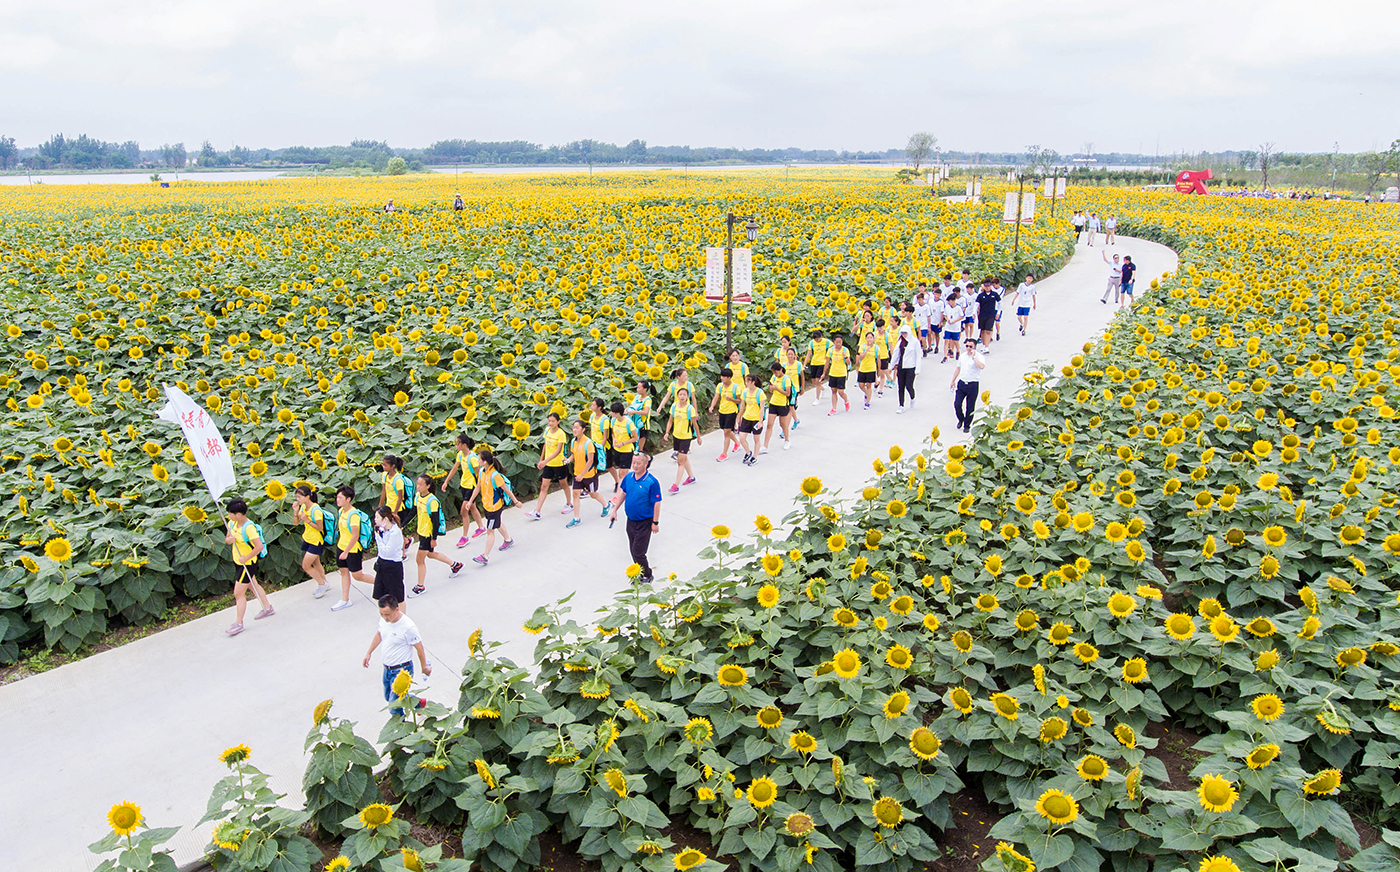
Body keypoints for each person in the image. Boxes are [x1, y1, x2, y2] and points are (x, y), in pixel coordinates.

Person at [362, 595, 430, 717]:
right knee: (388, 697)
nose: (384, 617)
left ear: (397, 609)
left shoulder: (408, 627)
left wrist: (424, 667)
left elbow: (419, 648)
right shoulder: (383, 620)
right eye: (381, 614)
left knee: (393, 706)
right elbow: (379, 634)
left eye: (387, 614)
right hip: (387, 669)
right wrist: (369, 652)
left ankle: (401, 733)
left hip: (402, 670)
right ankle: (418, 703)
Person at [223, 497, 273, 636]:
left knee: (238, 594)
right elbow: (227, 539)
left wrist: (246, 558)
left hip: (248, 564)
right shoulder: (232, 524)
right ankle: (268, 608)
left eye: (231, 513)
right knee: (253, 585)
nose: (229, 516)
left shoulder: (249, 528)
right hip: (238, 562)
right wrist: (229, 540)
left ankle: (238, 623)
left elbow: (259, 547)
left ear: (238, 514)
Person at [609, 453, 662, 584]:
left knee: (638, 552)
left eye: (639, 463)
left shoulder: (651, 482)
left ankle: (647, 575)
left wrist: (655, 522)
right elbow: (623, 493)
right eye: (634, 463)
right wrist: (615, 510)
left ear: (645, 464)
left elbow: (657, 502)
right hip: (631, 520)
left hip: (645, 522)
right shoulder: (629, 478)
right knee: (633, 549)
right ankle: (640, 573)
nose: (635, 466)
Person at [409, 474, 462, 596]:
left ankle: (420, 586)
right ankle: (455, 565)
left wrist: (434, 538)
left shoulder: (432, 501)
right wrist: (403, 524)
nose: (418, 486)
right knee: (431, 554)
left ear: (428, 486)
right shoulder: (417, 496)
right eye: (417, 484)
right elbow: (413, 512)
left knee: (419, 559)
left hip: (428, 534)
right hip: (421, 532)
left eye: (421, 484)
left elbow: (435, 522)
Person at [465, 449, 517, 566]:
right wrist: (470, 501)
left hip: (494, 507)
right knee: (497, 523)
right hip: (486, 505)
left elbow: (506, 490)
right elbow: (478, 487)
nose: (477, 461)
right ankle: (508, 539)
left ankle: (485, 556)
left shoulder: (495, 475)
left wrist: (516, 501)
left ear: (484, 461)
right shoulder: (482, 472)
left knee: (490, 531)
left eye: (479, 459)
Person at [332, 485, 373, 612]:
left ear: (348, 499)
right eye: (337, 497)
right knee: (344, 572)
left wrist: (346, 552)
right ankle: (345, 599)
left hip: (352, 550)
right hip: (341, 546)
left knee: (357, 576)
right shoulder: (341, 512)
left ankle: (381, 583)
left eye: (340, 497)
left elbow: (355, 536)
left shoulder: (353, 515)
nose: (337, 500)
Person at [526, 412, 572, 520]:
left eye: (553, 421)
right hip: (548, 464)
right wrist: (541, 460)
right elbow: (545, 445)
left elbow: (558, 450)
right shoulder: (547, 430)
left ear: (558, 422)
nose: (550, 423)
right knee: (544, 487)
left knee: (563, 484)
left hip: (559, 463)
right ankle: (537, 511)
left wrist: (545, 461)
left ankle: (569, 503)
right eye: (549, 421)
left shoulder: (561, 433)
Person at [443, 433, 487, 546]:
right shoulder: (460, 455)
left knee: (464, 511)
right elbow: (454, 468)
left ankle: (464, 537)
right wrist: (446, 481)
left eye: (457, 444)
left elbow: (479, 474)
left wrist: (481, 489)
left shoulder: (472, 458)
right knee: (472, 507)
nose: (456, 446)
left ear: (463, 445)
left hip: (471, 487)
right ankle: (481, 528)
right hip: (464, 485)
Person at [567, 419, 610, 526]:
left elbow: (590, 461)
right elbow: (574, 454)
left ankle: (605, 505)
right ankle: (576, 519)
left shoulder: (588, 443)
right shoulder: (573, 441)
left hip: (589, 475)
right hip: (577, 474)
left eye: (577, 427)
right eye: (573, 427)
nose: (574, 430)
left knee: (593, 494)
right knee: (575, 494)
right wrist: (568, 460)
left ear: (583, 429)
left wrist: (582, 474)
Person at [292, 485, 330, 599]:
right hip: (308, 538)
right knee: (316, 563)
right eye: (297, 497)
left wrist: (307, 520)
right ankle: (324, 582)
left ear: (307, 496)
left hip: (316, 541)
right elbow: (295, 522)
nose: (297, 499)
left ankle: (321, 585)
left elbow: (320, 528)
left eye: (299, 497)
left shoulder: (315, 510)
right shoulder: (303, 507)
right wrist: (296, 511)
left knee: (306, 565)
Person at [667, 387, 701, 492]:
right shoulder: (674, 406)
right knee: (684, 458)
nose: (682, 396)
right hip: (676, 435)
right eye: (680, 394)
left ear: (687, 397)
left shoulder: (690, 409)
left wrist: (699, 437)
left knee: (680, 461)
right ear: (677, 396)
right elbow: (670, 420)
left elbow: (695, 424)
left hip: (686, 437)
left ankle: (675, 485)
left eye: (684, 395)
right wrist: (667, 432)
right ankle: (691, 477)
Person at [950, 337, 987, 433]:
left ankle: (967, 425)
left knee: (970, 407)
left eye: (971, 346)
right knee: (957, 404)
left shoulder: (979, 357)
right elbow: (958, 368)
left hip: (973, 384)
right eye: (967, 346)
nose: (968, 348)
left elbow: (981, 366)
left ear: (974, 347)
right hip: (962, 382)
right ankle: (961, 418)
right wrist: (953, 380)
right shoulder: (962, 356)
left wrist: (974, 357)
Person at [371, 506, 407, 606]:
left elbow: (387, 551)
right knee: (379, 596)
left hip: (393, 566)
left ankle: (401, 618)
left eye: (377, 517)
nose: (375, 520)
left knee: (398, 598)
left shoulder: (395, 533)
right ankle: (386, 617)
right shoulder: (382, 529)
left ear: (385, 519)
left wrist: (378, 538)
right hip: (382, 564)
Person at [708, 367, 742, 462]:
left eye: (724, 376)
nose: (722, 378)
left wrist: (731, 399)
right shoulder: (720, 386)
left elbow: (739, 401)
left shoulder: (735, 387)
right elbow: (716, 397)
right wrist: (712, 406)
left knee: (726, 432)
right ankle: (737, 442)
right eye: (721, 376)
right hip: (722, 411)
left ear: (729, 377)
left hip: (731, 411)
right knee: (726, 431)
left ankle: (724, 454)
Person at [762, 362, 795, 451]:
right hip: (773, 403)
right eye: (774, 373)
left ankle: (787, 440)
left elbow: (787, 393)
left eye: (776, 372)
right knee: (769, 425)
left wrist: (777, 389)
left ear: (781, 370)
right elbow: (771, 390)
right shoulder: (773, 377)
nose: (775, 374)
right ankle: (765, 446)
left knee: (783, 424)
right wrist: (771, 388)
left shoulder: (786, 379)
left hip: (783, 404)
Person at [607, 402, 639, 489]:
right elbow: (613, 433)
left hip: (627, 450)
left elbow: (635, 438)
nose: (610, 413)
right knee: (621, 470)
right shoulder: (613, 420)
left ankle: (621, 490)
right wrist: (614, 439)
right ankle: (627, 485)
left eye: (612, 411)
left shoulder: (628, 423)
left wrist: (623, 443)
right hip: (617, 450)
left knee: (622, 473)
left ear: (617, 413)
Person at [737, 373, 766, 464]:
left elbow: (762, 408)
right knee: (742, 437)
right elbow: (742, 405)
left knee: (756, 439)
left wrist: (760, 421)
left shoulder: (760, 393)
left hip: (756, 419)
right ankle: (748, 452)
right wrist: (739, 417)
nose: (746, 383)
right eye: (746, 381)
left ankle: (755, 457)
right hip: (746, 417)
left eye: (748, 381)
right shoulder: (745, 392)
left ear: (753, 382)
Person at [894, 321, 922, 413]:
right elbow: (896, 354)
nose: (904, 335)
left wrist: (917, 369)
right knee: (900, 386)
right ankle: (901, 405)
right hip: (901, 367)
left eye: (905, 333)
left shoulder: (915, 342)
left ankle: (912, 397)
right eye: (902, 333)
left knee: (909, 385)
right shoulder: (900, 342)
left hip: (911, 367)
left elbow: (918, 356)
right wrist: (892, 366)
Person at [379, 455, 410, 533]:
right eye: (383, 464)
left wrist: (395, 513)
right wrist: (379, 506)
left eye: (385, 465)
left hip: (398, 509)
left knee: (398, 531)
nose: (383, 466)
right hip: (388, 508)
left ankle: (405, 542)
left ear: (393, 466)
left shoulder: (398, 480)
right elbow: (384, 491)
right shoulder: (384, 475)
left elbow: (400, 497)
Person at [802, 329, 832, 406]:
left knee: (817, 381)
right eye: (815, 339)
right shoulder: (811, 343)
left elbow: (833, 347)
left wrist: (828, 355)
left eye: (818, 338)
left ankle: (817, 398)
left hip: (822, 363)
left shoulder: (826, 342)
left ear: (821, 336)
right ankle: (823, 388)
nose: (817, 340)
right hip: (814, 362)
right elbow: (808, 354)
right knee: (813, 381)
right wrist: (804, 364)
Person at [824, 334, 851, 416]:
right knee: (833, 390)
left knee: (841, 391)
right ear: (834, 342)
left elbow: (849, 363)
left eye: (840, 342)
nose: (838, 344)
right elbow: (827, 362)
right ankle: (834, 408)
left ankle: (846, 400)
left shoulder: (845, 350)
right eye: (836, 342)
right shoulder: (831, 350)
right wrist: (824, 372)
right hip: (833, 373)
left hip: (842, 373)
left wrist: (845, 356)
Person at [856, 325, 879, 408]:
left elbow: (878, 359)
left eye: (871, 338)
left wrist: (878, 370)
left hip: (871, 368)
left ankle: (868, 402)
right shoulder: (862, 347)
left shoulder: (876, 348)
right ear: (866, 339)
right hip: (863, 368)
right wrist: (866, 350)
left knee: (869, 385)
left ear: (873, 339)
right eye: (868, 338)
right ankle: (866, 393)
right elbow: (861, 357)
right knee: (861, 385)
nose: (869, 339)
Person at [627, 381, 654, 453]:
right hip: (634, 425)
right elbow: (631, 406)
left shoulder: (648, 400)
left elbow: (646, 412)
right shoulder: (637, 397)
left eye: (639, 388)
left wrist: (634, 412)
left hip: (643, 426)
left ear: (645, 389)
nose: (637, 389)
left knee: (639, 448)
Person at [940, 289, 963, 362]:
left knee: (955, 341)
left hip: (955, 327)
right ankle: (945, 355)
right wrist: (948, 320)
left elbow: (962, 316)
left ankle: (958, 351)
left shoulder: (958, 308)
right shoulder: (947, 307)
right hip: (948, 327)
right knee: (946, 341)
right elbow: (945, 315)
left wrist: (954, 321)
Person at [976, 279, 1000, 348]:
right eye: (986, 286)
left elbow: (1000, 303)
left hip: (991, 315)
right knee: (983, 331)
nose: (987, 288)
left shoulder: (994, 294)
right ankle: (984, 345)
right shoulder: (980, 295)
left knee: (988, 331)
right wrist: (974, 313)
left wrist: (998, 312)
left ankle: (987, 346)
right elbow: (976, 304)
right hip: (982, 315)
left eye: (989, 286)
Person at [912, 286, 935, 352]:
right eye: (918, 299)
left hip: (924, 324)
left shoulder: (926, 307)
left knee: (923, 337)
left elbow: (928, 316)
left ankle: (924, 349)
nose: (919, 301)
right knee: (917, 338)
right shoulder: (916, 307)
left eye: (920, 299)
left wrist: (929, 326)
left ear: (923, 299)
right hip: (917, 324)